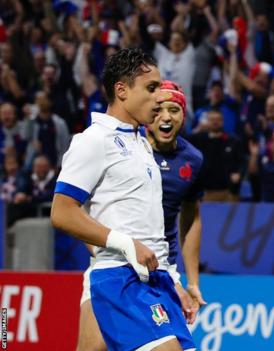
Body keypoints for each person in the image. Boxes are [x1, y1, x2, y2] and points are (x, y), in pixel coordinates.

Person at [50, 48, 195, 351]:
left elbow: (146, 227)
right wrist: (125, 245)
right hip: (121, 279)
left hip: (154, 281)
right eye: (151, 88)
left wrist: (173, 280)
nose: (159, 97)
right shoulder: (94, 140)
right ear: (122, 90)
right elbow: (62, 212)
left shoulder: (141, 143)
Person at [75, 80, 206, 351]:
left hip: (160, 272)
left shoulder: (193, 160)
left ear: (184, 114)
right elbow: (72, 207)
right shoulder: (121, 147)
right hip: (114, 268)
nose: (166, 117)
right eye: (158, 110)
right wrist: (101, 249)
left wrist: (191, 281)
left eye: (174, 109)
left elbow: (191, 218)